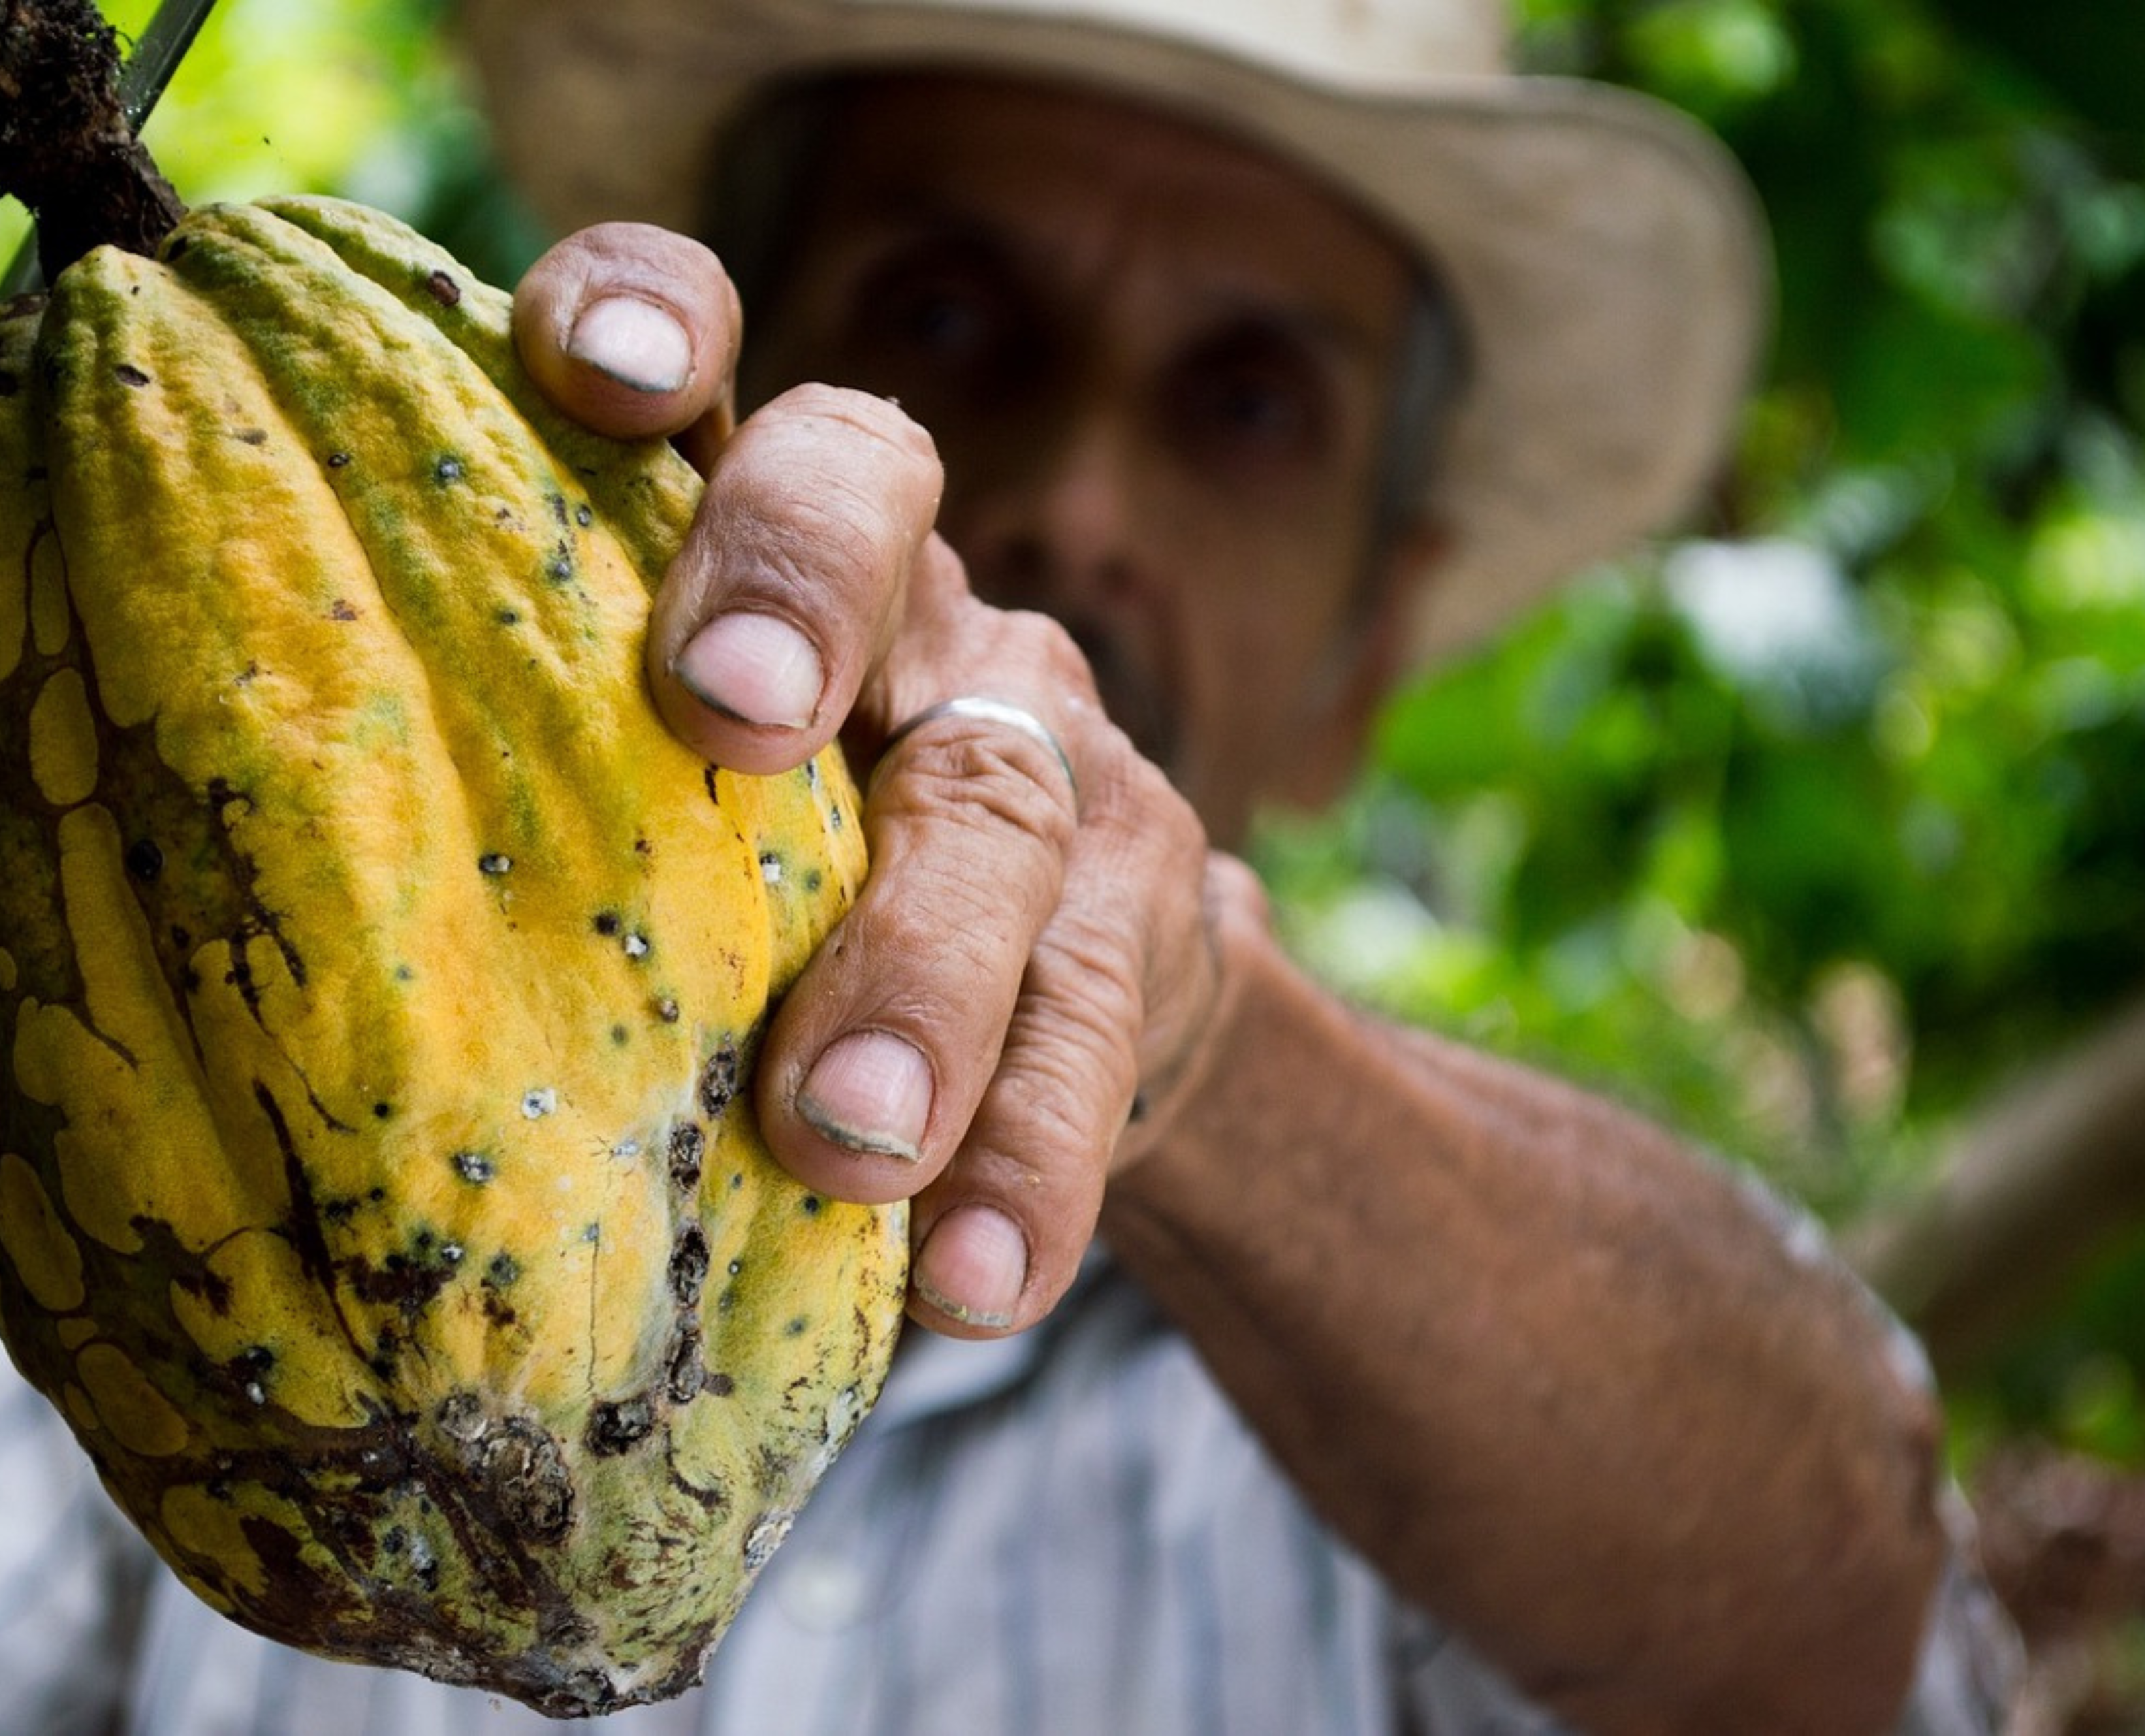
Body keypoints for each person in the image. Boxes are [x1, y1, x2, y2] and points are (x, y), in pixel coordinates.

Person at [0, 0, 2022, 1730]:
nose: (1070, 495)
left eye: (1244, 400)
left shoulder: (1456, 1432)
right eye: (945, 311)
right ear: (675, 396)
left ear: (1365, 653)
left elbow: (1838, 1611)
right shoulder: (145, 1041)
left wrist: (1193, 1036)